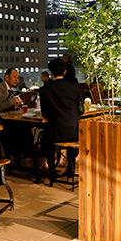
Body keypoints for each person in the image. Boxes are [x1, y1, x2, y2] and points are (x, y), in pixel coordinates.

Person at [40, 58, 84, 186]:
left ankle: (51, 171)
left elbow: (45, 114)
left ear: (50, 73)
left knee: (45, 136)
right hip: (74, 132)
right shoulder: (75, 88)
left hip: (55, 133)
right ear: (64, 72)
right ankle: (70, 167)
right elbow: (81, 110)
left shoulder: (45, 90)